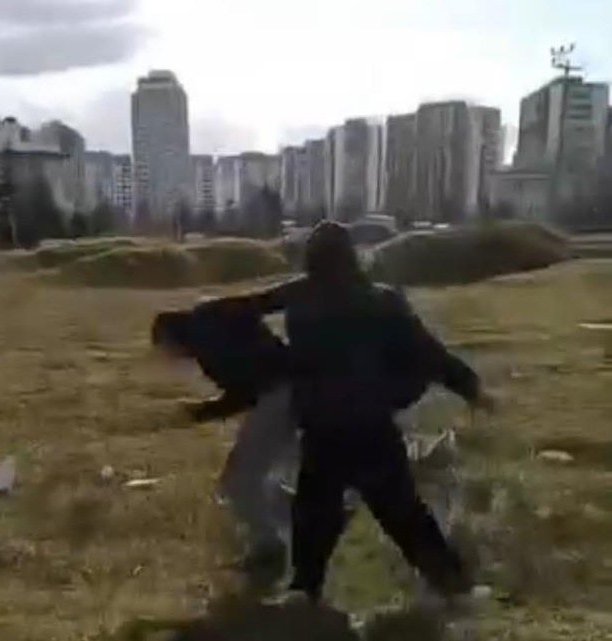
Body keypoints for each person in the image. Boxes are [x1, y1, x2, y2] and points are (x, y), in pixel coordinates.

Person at [199, 220, 494, 604]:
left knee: (313, 514)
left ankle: (303, 589)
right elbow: (429, 353)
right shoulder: (380, 300)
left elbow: (248, 307)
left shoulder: (300, 294)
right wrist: (472, 388)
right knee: (404, 514)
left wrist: (203, 317)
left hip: (322, 428)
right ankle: (454, 588)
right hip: (369, 426)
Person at [151, 303, 295, 576]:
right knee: (264, 480)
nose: (170, 357)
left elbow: (243, 392)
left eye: (166, 349)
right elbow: (245, 387)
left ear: (171, 337)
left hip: (279, 396)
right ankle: (301, 523)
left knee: (239, 481)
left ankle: (270, 548)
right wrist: (198, 412)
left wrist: (197, 413)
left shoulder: (209, 338)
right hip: (287, 392)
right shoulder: (209, 328)